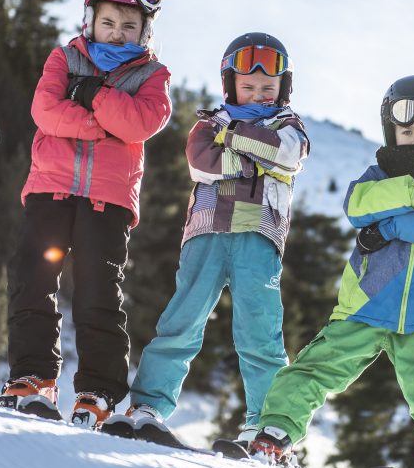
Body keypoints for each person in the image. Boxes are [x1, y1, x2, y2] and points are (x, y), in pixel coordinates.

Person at [248, 75, 414, 468]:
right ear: (391, 130)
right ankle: (275, 434)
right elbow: (357, 206)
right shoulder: (375, 175)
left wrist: (388, 224)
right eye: (406, 130)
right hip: (365, 305)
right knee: (316, 368)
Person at [0, 0, 172, 427]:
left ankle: (97, 391)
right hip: (50, 189)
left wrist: (92, 95)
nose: (117, 34)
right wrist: (104, 124)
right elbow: (45, 111)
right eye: (109, 23)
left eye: (129, 26)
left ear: (144, 31)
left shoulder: (153, 76)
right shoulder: (64, 58)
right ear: (90, 19)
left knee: (98, 293)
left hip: (107, 202)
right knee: (33, 278)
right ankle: (32, 378)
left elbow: (140, 124)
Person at [128, 32, 309, 442]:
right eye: (248, 87)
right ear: (231, 85)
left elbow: (287, 155)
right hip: (207, 232)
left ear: (284, 88)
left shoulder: (289, 127)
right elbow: (201, 162)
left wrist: (234, 141)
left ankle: (267, 426)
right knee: (182, 319)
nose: (258, 95)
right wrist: (255, 164)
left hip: (258, 236)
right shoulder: (209, 123)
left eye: (268, 88)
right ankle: (148, 404)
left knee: (260, 331)